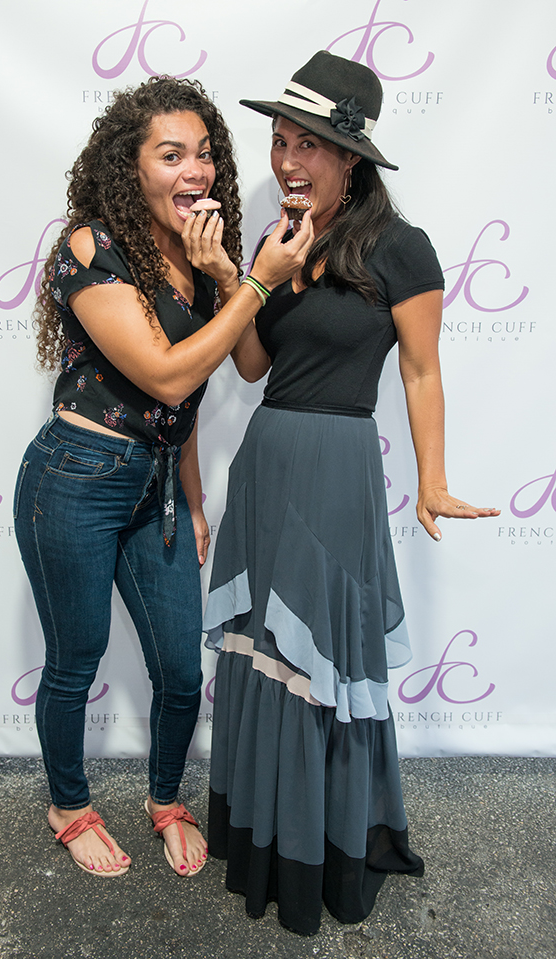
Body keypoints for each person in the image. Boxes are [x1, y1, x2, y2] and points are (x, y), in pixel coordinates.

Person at [204, 51, 500, 933]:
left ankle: (319, 847)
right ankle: (261, 835)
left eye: (308, 145)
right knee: (265, 651)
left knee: (317, 662)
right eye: (279, 140)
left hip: (336, 470)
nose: (287, 160)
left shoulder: (402, 248)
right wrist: (236, 278)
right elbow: (252, 365)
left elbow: (421, 372)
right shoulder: (279, 241)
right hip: (266, 459)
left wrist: (433, 479)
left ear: (351, 158)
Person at [14, 76, 312, 878]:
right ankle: (68, 804)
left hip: (159, 492)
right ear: (131, 166)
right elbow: (167, 375)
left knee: (181, 669)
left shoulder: (198, 250)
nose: (196, 170)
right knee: (75, 660)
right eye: (171, 154)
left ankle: (165, 798)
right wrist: (257, 282)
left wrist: (192, 496)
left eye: (204, 154)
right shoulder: (91, 245)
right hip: (74, 479)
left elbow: (212, 386)